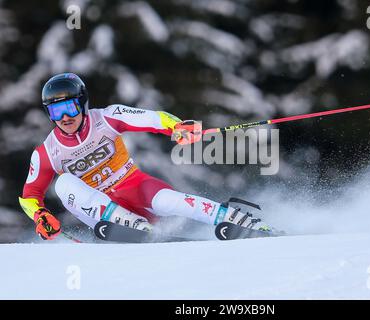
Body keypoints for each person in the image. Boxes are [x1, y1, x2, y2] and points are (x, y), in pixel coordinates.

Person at [18, 73, 272, 240]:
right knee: (63, 183)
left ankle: (236, 220)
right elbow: (29, 196)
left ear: (81, 104)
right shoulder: (46, 151)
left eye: (69, 107)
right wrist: (40, 216)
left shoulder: (106, 117)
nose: (64, 118)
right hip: (97, 208)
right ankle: (127, 223)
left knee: (172, 200)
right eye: (56, 111)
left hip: (134, 187)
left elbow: (152, 118)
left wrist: (176, 127)